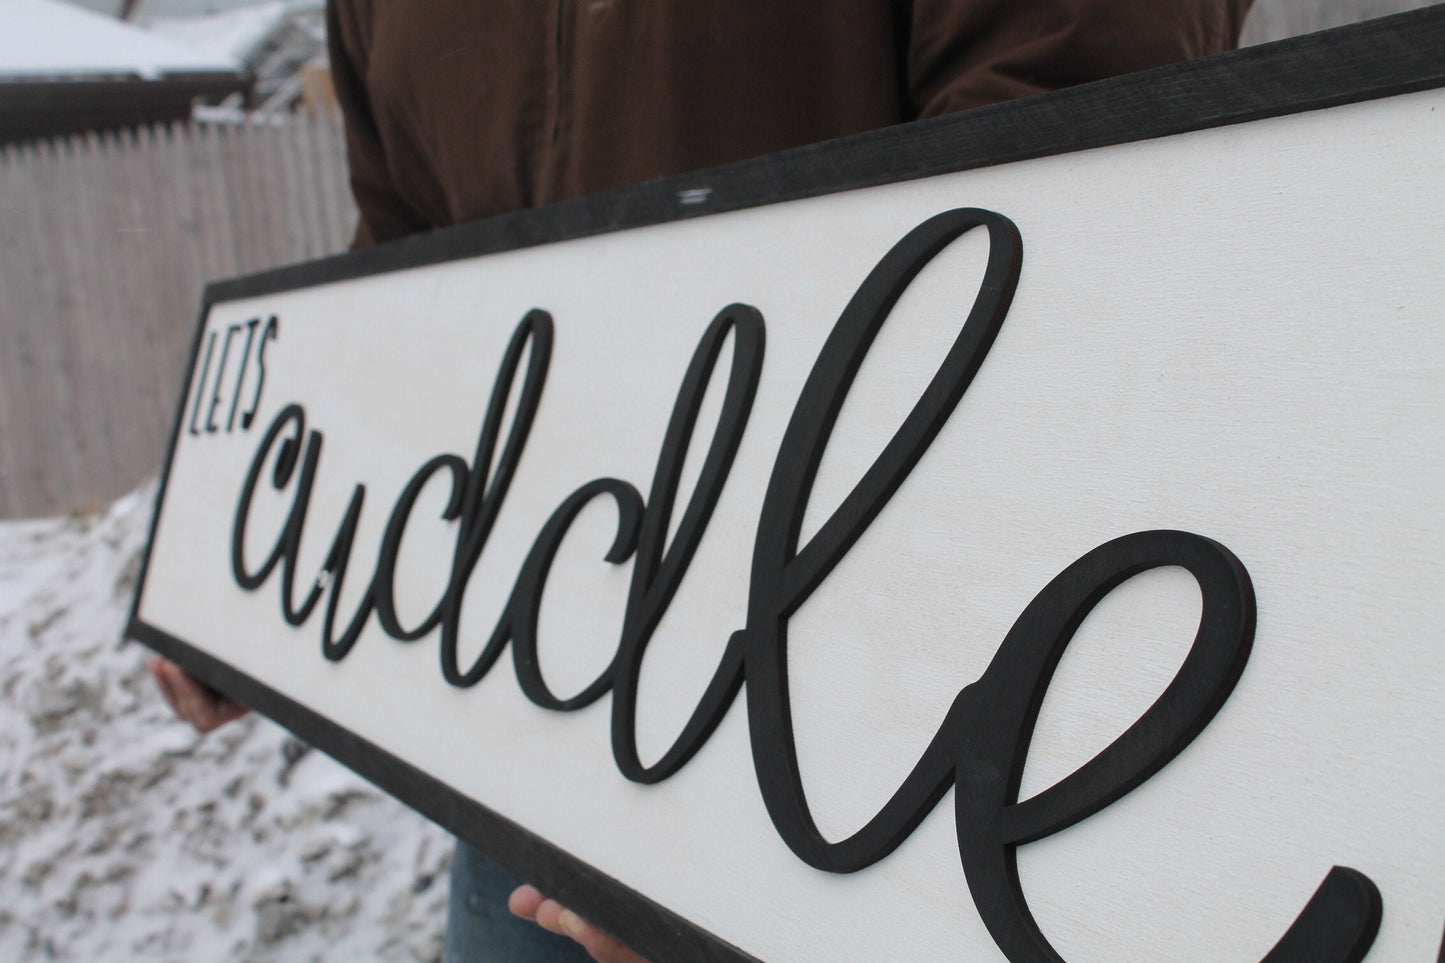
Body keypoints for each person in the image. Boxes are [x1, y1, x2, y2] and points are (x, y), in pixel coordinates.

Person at [153, 2, 1252, 959]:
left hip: (866, 766)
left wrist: (749, 871)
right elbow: (401, 267)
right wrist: (256, 590)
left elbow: (1079, 173)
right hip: (525, 727)